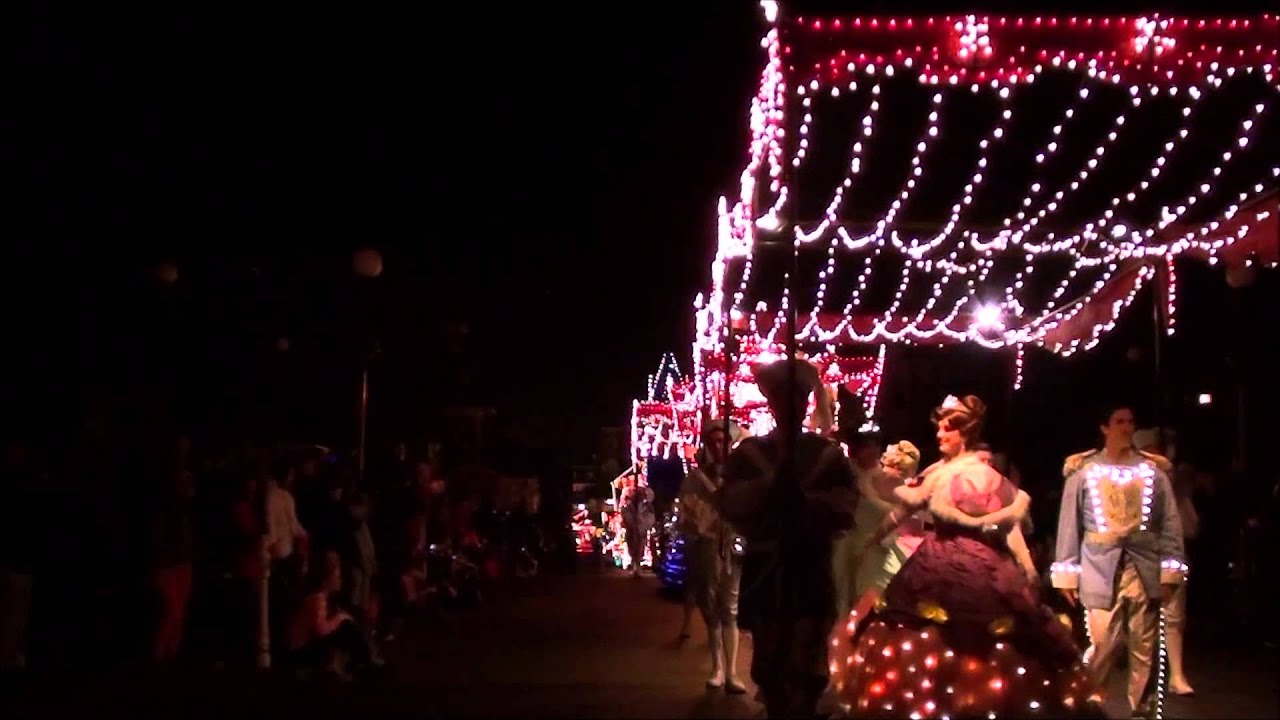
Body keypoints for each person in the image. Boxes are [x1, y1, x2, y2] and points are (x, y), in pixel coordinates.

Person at [835, 395, 1103, 718]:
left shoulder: (982, 475)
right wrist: (871, 539)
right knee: (923, 628)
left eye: (947, 430)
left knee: (983, 632)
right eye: (940, 429)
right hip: (936, 557)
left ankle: (978, 699)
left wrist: (1028, 568)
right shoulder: (936, 472)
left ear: (965, 434)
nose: (939, 435)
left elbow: (1008, 525)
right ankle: (930, 697)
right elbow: (902, 511)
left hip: (979, 562)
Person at [716, 358, 858, 718]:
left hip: (810, 568)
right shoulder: (749, 454)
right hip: (766, 569)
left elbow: (846, 507)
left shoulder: (828, 456)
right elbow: (730, 503)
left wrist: (808, 503)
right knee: (770, 660)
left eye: (797, 397)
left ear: (806, 401)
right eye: (782, 398)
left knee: (808, 659)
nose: (790, 406)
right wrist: (767, 490)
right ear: (772, 403)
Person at [1053, 407, 1186, 719]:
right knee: (1103, 644)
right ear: (1104, 427)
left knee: (1145, 644)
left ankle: (1142, 711)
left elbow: (1169, 523)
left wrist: (1171, 569)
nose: (1127, 428)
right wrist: (1066, 572)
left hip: (1143, 566)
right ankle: (1089, 704)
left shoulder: (1152, 472)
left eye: (1130, 421)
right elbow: (1069, 524)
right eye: (1119, 422)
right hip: (1100, 567)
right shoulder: (1084, 471)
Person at [678, 420, 748, 693]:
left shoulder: (740, 476)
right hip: (707, 546)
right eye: (714, 443)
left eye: (723, 442)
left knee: (730, 606)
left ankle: (731, 671)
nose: (719, 447)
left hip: (732, 545)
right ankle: (717, 667)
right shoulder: (696, 479)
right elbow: (689, 513)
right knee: (711, 604)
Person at [1133, 427, 1196, 696]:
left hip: (1168, 552)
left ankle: (1177, 674)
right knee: (1137, 617)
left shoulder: (1167, 478)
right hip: (1139, 554)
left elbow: (1186, 523)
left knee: (1174, 615)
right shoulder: (1132, 476)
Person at [847, 440, 921, 621]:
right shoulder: (904, 485)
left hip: (867, 537)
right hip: (883, 539)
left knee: (862, 584)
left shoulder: (869, 478)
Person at [832, 432, 881, 621]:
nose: (872, 452)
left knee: (866, 585)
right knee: (841, 581)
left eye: (875, 446)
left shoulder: (883, 475)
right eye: (867, 447)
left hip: (873, 539)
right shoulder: (848, 473)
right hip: (847, 534)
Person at [620, 471, 655, 577]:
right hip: (632, 526)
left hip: (641, 527)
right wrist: (629, 522)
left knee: (640, 545)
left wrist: (643, 524)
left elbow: (650, 515)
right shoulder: (628, 501)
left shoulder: (646, 503)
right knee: (631, 544)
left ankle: (637, 564)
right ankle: (634, 563)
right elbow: (624, 511)